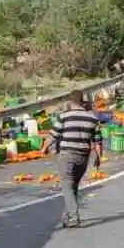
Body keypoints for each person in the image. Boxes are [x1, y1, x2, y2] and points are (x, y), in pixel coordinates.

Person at [47, 92, 103, 228]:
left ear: (70, 102)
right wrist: (99, 158)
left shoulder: (64, 116)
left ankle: (73, 217)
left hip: (67, 155)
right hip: (83, 157)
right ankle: (67, 217)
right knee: (73, 187)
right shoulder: (92, 118)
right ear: (82, 101)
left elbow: (52, 135)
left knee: (67, 186)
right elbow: (98, 141)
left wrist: (43, 148)